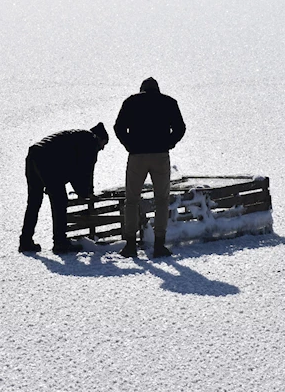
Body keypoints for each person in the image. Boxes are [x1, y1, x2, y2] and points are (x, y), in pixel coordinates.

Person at [114, 77, 185, 258]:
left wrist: (129, 145)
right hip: (160, 156)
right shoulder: (169, 102)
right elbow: (180, 128)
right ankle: (159, 245)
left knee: (132, 200)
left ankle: (130, 245)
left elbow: (118, 127)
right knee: (161, 200)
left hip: (136, 156)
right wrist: (169, 143)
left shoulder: (131, 102)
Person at [20, 122, 109, 254]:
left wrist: (82, 191)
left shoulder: (79, 137)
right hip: (48, 161)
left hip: (34, 154)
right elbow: (85, 171)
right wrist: (86, 193)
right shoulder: (91, 143)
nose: (102, 148)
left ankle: (25, 241)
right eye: (104, 144)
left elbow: (74, 168)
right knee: (59, 202)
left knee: (34, 202)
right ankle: (60, 243)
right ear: (100, 138)